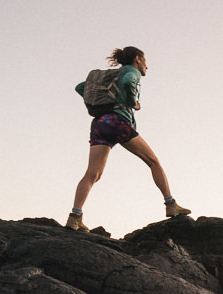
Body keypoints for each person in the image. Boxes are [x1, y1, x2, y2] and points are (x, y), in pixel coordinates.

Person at [66, 46, 190, 231]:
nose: (147, 66)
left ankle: (75, 217)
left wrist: (103, 99)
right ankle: (171, 205)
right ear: (138, 59)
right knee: (153, 161)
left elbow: (80, 87)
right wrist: (132, 103)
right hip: (117, 121)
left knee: (93, 174)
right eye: (145, 61)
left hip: (99, 124)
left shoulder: (110, 76)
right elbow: (127, 80)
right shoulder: (130, 71)